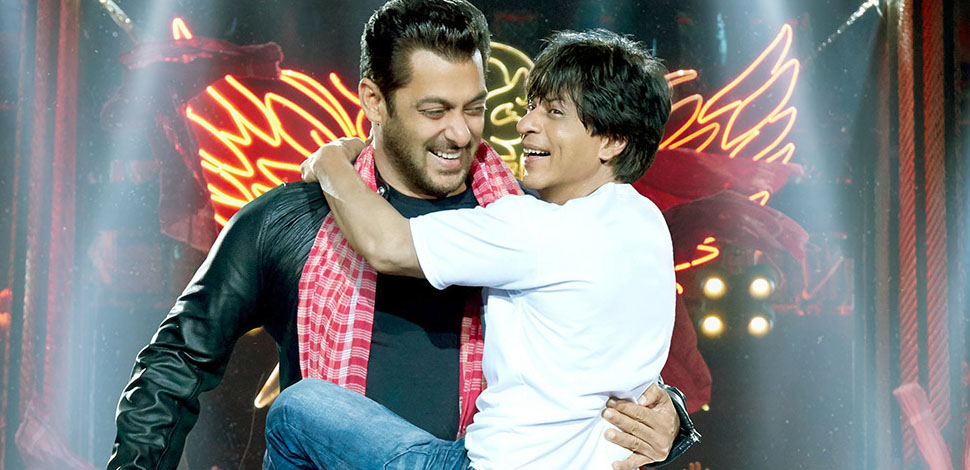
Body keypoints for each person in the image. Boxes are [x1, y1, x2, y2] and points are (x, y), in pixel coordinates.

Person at [108, 1, 696, 469]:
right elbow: (175, 362)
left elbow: (598, 353)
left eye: (474, 108)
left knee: (298, 409)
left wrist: (670, 418)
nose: (460, 133)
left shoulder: (525, 219)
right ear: (375, 101)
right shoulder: (291, 219)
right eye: (435, 110)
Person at [265, 27, 680, 470]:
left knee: (297, 408)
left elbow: (387, 245)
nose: (525, 125)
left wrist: (331, 160)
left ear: (613, 140)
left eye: (555, 112)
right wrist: (673, 412)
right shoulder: (648, 224)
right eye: (532, 106)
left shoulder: (536, 229)